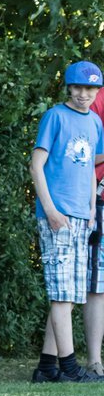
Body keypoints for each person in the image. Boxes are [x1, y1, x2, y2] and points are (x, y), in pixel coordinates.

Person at [28, 61, 104, 384]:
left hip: (80, 217)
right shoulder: (55, 117)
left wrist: (89, 210)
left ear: (97, 91)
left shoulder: (95, 124)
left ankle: (46, 367)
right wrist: (50, 210)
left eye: (91, 89)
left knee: (71, 294)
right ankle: (70, 368)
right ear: (69, 88)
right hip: (56, 217)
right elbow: (36, 164)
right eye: (79, 87)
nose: (84, 94)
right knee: (61, 295)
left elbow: (89, 169)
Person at [82, 87, 104, 376]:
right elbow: (83, 154)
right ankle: (94, 360)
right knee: (96, 285)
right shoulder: (96, 98)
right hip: (98, 199)